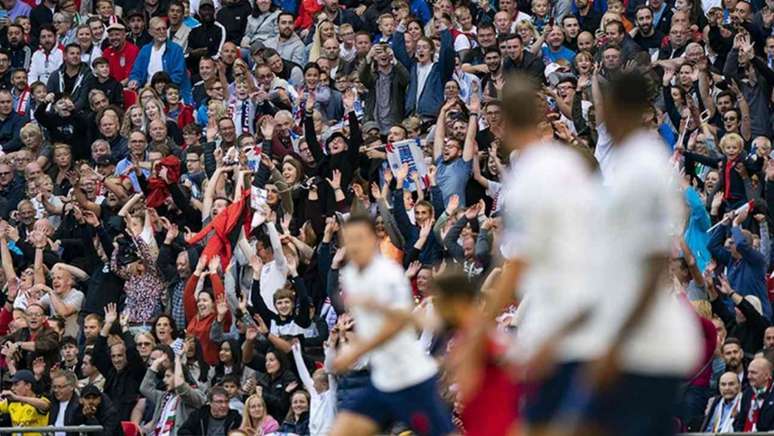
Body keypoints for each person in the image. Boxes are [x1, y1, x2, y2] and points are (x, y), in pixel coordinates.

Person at [579, 71, 703, 436]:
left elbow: (651, 266)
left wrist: (616, 341)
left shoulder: (644, 166)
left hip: (648, 346)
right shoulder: (626, 154)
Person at [328, 214, 453, 436]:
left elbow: (396, 323)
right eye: (349, 239)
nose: (354, 245)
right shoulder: (349, 276)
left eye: (360, 238)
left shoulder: (389, 274)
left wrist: (357, 350)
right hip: (382, 379)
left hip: (412, 378)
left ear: (374, 239)